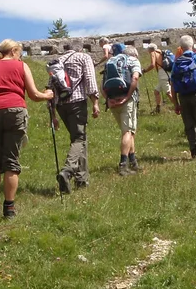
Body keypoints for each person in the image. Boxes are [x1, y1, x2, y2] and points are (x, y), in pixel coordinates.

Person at [0, 39, 54, 219]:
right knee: (11, 159)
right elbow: (33, 95)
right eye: (20, 52)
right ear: (15, 50)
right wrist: (47, 95)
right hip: (15, 111)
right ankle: (9, 207)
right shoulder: (21, 66)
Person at [52, 46, 101, 194]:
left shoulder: (57, 62)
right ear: (79, 49)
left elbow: (51, 88)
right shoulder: (83, 57)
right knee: (79, 138)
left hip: (61, 106)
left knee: (78, 139)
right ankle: (67, 170)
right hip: (77, 102)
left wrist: (53, 115)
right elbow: (90, 80)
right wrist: (95, 103)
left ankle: (81, 179)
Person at [104, 43, 143, 175]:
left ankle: (133, 161)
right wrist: (127, 96)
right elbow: (135, 78)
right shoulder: (133, 60)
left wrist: (108, 100)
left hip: (113, 100)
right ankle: (123, 165)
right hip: (126, 100)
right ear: (134, 54)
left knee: (128, 131)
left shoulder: (111, 61)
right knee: (128, 132)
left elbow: (102, 85)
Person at [148, 45, 171, 113]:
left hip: (162, 73)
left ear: (150, 49)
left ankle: (179, 107)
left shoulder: (153, 53)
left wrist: (145, 70)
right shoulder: (160, 52)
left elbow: (152, 65)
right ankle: (158, 108)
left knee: (168, 92)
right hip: (166, 72)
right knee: (156, 91)